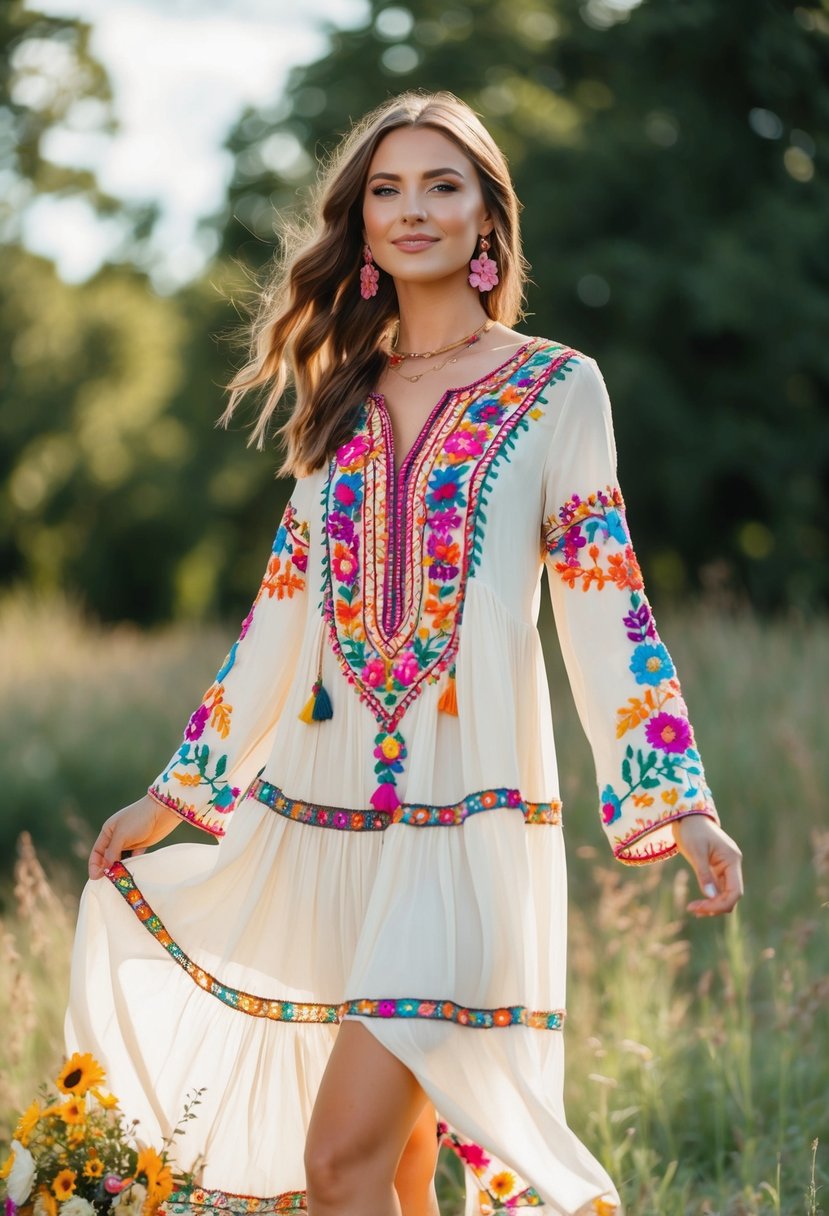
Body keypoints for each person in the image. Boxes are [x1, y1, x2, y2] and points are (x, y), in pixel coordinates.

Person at [67, 90, 744, 1216]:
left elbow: (604, 603)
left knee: (334, 1163)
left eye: (441, 185)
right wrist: (179, 794)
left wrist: (680, 804)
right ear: (362, 227)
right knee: (393, 1170)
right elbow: (279, 618)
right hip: (331, 836)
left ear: (488, 219)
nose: (411, 209)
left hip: (465, 837)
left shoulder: (556, 388)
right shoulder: (337, 403)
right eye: (386, 189)